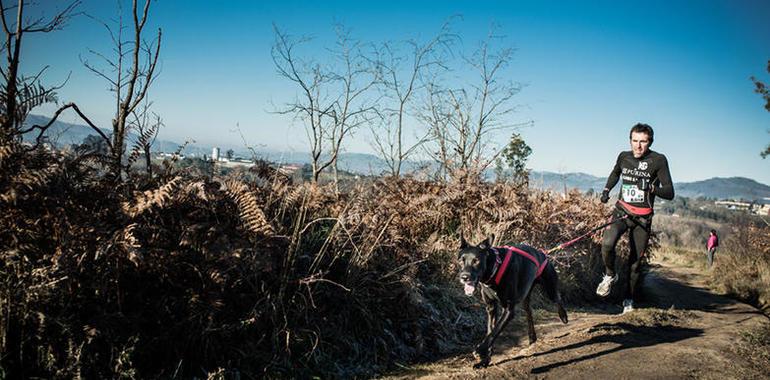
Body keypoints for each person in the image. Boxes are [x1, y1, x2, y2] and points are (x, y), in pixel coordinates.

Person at [596, 123, 675, 314]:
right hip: (622, 211)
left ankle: (628, 301)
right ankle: (609, 275)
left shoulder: (658, 160)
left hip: (642, 219)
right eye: (635, 141)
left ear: (650, 142)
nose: (638, 146)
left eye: (643, 142)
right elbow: (616, 173)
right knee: (607, 244)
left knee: (635, 263)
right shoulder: (624, 156)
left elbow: (670, 192)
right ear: (630, 140)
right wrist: (607, 190)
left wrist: (650, 188)